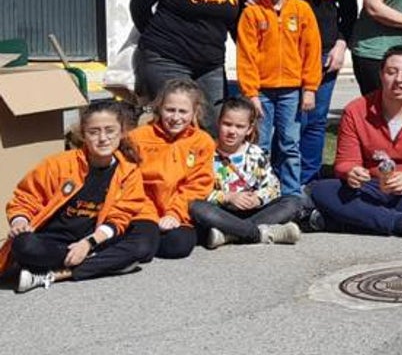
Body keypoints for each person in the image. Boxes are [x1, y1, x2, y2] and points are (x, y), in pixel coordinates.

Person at [249, 0, 357, 186]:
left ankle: (305, 185)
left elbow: (350, 12)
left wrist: (341, 44)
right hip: (278, 59)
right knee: (274, 128)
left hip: (322, 56)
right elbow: (248, 3)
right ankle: (269, 183)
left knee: (314, 122)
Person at [2, 100, 158, 293]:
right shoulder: (58, 164)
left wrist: (88, 243)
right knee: (23, 245)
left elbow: (119, 218)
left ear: (122, 132)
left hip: (92, 241)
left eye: (110, 131)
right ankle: (102, 264)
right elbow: (25, 198)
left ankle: (54, 274)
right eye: (94, 132)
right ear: (83, 134)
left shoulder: (129, 172)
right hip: (53, 242)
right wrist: (19, 221)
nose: (103, 138)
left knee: (142, 247)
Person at [308, 46, 402, 240]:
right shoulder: (355, 110)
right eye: (391, 72)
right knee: (322, 190)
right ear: (381, 75)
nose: (399, 80)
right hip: (370, 186)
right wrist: (351, 171)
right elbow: (344, 162)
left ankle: (349, 221)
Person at [237, 0, 323, 202]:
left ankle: (291, 195)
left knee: (289, 144)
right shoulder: (252, 13)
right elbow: (246, 56)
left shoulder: (302, 10)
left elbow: (311, 51)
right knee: (259, 145)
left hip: (291, 91)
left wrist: (309, 88)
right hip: (261, 92)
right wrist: (251, 93)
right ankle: (259, 194)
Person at [189, 97, 303, 249]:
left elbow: (273, 187)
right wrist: (228, 197)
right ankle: (258, 233)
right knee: (196, 207)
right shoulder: (206, 151)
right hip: (221, 213)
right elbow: (197, 190)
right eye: (227, 124)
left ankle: (229, 235)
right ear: (219, 123)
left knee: (293, 202)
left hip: (253, 212)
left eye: (239, 126)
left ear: (249, 129)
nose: (232, 131)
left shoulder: (256, 153)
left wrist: (258, 198)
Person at [129, 78, 217, 260]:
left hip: (179, 212)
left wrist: (174, 214)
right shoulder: (138, 137)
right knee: (142, 247)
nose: (176, 118)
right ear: (159, 108)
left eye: (183, 111)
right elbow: (131, 182)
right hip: (143, 210)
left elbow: (198, 185)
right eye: (170, 110)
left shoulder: (202, 141)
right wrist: (151, 216)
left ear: (194, 112)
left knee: (178, 247)